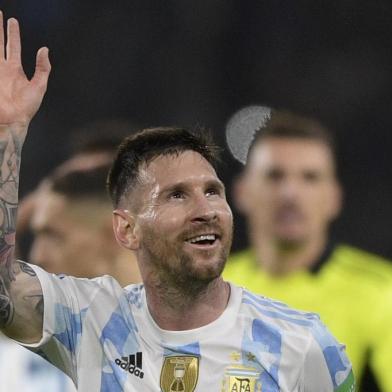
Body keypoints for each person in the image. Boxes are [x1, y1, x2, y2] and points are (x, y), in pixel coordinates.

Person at [0, 13, 355, 391]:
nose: (205, 211)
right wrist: (8, 132)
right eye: (176, 196)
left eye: (213, 191)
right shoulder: (92, 320)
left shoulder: (301, 345)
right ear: (126, 228)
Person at [223, 108, 392, 391]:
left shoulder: (382, 294)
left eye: (310, 178)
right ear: (241, 192)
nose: (290, 193)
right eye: (275, 176)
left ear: (334, 198)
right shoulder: (211, 287)